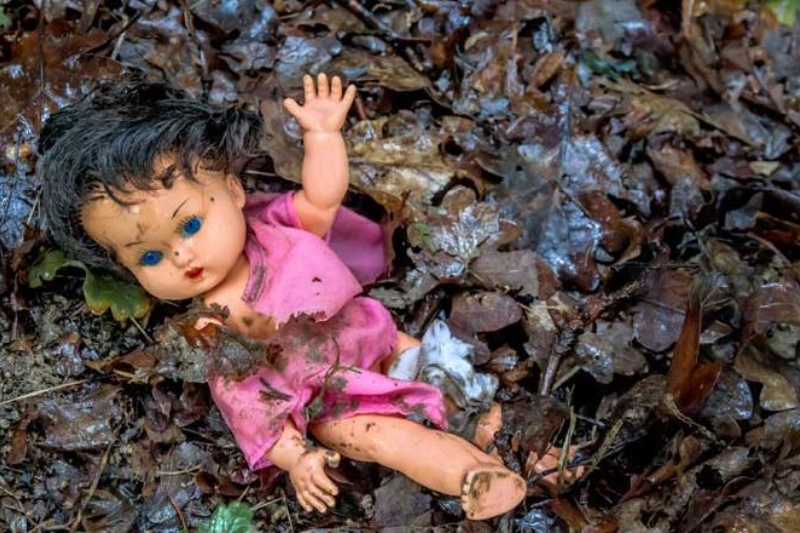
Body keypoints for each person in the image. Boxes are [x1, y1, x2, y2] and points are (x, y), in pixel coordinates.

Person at [38, 74, 548, 520]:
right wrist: (297, 456)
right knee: (392, 439)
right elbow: (251, 407)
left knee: (452, 383)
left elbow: (321, 199)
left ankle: (521, 452)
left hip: (378, 338)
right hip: (335, 404)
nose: (181, 255)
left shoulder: (274, 230)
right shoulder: (211, 332)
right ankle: (470, 480)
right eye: (149, 257)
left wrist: (323, 137)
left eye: (190, 225)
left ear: (232, 190)